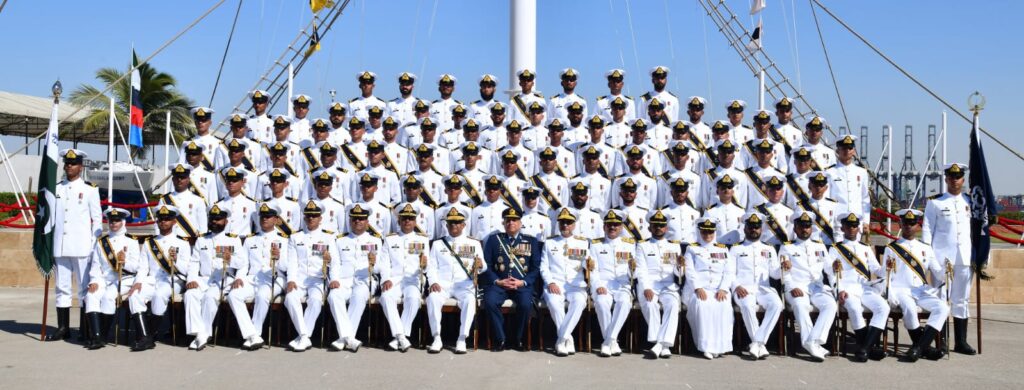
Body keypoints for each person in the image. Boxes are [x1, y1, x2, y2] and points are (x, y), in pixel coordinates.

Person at [49, 149, 103, 342]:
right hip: (60, 246)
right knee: (62, 287)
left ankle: (84, 328)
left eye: (73, 163)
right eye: (67, 163)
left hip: (81, 246)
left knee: (82, 288)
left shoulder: (90, 189)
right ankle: (63, 327)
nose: (69, 166)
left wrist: (93, 244)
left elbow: (97, 220)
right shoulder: (56, 189)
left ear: (81, 166)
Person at [922, 162, 976, 355]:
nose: (954, 181)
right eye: (951, 177)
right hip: (942, 259)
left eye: (958, 177)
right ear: (945, 179)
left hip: (965, 257)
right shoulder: (935, 202)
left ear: (963, 179)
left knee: (962, 300)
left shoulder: (970, 202)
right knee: (941, 301)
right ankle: (941, 341)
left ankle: (961, 342)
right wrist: (929, 259)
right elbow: (927, 231)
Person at [885, 209, 951, 362]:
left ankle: (919, 347)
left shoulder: (926, 248)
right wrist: (890, 294)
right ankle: (926, 349)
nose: (908, 226)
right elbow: (885, 275)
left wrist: (947, 271)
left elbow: (938, 273)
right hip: (901, 290)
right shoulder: (892, 248)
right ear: (900, 223)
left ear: (917, 226)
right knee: (909, 307)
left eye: (912, 223)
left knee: (943, 308)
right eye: (905, 222)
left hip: (921, 290)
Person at [83, 208, 151, 350]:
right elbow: (95, 265)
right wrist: (94, 281)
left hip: (124, 278)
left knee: (108, 297)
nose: (113, 223)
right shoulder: (102, 242)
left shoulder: (131, 241)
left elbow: (136, 267)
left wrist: (124, 262)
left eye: (117, 220)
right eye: (111, 221)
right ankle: (96, 336)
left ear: (123, 222)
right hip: (104, 278)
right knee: (91, 296)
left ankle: (103, 335)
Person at [183, 205, 249, 351]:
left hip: (223, 278)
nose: (214, 222)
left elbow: (242, 263)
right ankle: (198, 332)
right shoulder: (202, 239)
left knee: (210, 297)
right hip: (204, 279)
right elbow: (194, 262)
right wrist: (191, 279)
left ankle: (203, 336)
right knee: (190, 294)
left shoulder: (233, 239)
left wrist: (229, 259)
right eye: (212, 219)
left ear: (226, 221)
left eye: (218, 219)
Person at [826, 212, 889, 362]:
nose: (852, 229)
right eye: (849, 226)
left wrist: (888, 267)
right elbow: (830, 273)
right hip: (846, 288)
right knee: (854, 309)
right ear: (843, 228)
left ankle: (864, 348)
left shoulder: (865, 248)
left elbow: (877, 270)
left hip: (864, 288)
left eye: (855, 226)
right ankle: (868, 349)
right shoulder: (836, 248)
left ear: (858, 228)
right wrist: (839, 289)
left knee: (883, 307)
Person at [283, 200, 342, 352]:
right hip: (300, 279)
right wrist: (290, 280)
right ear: (304, 217)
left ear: (320, 218)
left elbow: (335, 262)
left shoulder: (328, 237)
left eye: (314, 216)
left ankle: (303, 337)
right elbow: (292, 262)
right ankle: (304, 336)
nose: (311, 218)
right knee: (290, 298)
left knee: (315, 300)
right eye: (308, 215)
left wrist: (334, 278)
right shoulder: (296, 237)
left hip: (318, 279)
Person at [777, 211, 836, 361]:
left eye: (807, 226)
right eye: (801, 226)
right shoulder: (787, 247)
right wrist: (791, 287)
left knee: (830, 305)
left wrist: (834, 266)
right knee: (800, 305)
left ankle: (812, 341)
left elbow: (828, 268)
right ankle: (812, 345)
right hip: (797, 286)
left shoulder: (820, 246)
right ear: (795, 228)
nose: (805, 229)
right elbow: (785, 272)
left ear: (811, 228)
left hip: (816, 287)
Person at [481, 208, 542, 351]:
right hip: (500, 284)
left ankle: (518, 339)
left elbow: (536, 267)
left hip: (521, 284)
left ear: (520, 223)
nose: (511, 223)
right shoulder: (494, 240)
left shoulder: (531, 241)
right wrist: (497, 281)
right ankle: (501, 339)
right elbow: (487, 265)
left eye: (514, 220)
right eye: (508, 220)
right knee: (489, 302)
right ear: (503, 223)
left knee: (526, 304)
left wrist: (523, 282)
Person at [425, 208, 486, 353]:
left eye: (457, 222)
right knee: (432, 298)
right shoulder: (438, 244)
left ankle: (462, 338)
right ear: (446, 225)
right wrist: (433, 282)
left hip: (464, 284)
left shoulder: (474, 243)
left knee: (470, 300)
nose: (454, 225)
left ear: (464, 225)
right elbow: (431, 266)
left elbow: (483, 267)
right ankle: (437, 338)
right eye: (451, 222)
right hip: (443, 284)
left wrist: (480, 266)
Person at [327, 204, 386, 352]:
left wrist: (373, 263)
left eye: (361, 219)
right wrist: (334, 279)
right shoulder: (340, 240)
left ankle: (343, 339)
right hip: (344, 280)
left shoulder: (376, 240)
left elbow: (380, 267)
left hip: (365, 279)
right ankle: (349, 338)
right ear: (350, 220)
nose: (358, 221)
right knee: (333, 296)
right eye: (355, 219)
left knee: (359, 296)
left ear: (367, 221)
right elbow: (335, 263)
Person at [729, 212, 782, 359]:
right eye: (751, 227)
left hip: (763, 288)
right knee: (746, 305)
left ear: (762, 229)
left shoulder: (769, 249)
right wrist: (736, 286)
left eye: (757, 227)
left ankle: (757, 343)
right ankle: (760, 345)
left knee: (777, 304)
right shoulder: (736, 249)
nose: (754, 230)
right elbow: (729, 273)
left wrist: (784, 268)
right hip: (743, 288)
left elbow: (775, 274)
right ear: (745, 228)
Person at [381, 203, 431, 352]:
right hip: (394, 279)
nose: (407, 221)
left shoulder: (423, 240)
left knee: (414, 298)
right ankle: (402, 336)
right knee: (386, 297)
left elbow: (427, 266)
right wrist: (386, 279)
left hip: (413, 279)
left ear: (415, 221)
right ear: (399, 220)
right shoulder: (390, 239)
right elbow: (384, 263)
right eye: (404, 218)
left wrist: (424, 265)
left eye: (410, 218)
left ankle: (397, 338)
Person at [634, 210, 684, 359]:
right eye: (655, 225)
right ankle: (663, 344)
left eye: (662, 226)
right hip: (650, 286)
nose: (658, 228)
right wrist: (646, 288)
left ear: (666, 228)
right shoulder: (642, 246)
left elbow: (678, 275)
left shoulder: (675, 246)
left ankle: (659, 345)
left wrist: (680, 268)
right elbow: (641, 269)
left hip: (669, 286)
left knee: (673, 305)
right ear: (649, 228)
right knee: (650, 305)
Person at [141, 205, 193, 350]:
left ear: (174, 222)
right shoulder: (149, 242)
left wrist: (175, 260)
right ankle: (143, 333)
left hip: (174, 279)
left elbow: (187, 269)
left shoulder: (182, 243)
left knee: (159, 295)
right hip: (152, 280)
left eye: (167, 219)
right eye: (161, 219)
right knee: (137, 295)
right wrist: (138, 283)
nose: (163, 222)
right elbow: (143, 267)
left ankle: (150, 335)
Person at [683, 217, 735, 360]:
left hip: (719, 289)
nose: (707, 235)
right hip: (699, 289)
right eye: (705, 232)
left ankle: (720, 346)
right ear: (700, 232)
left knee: (723, 306)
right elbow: (689, 270)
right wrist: (698, 288)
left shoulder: (723, 249)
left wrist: (724, 289)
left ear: (714, 232)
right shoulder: (692, 248)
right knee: (703, 306)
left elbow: (729, 271)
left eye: (710, 232)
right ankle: (705, 346)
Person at [246, 203, 295, 351]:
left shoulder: (284, 240)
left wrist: (278, 258)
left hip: (276, 277)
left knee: (262, 295)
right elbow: (244, 264)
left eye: (268, 217)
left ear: (276, 219)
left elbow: (286, 268)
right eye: (262, 216)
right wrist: (239, 278)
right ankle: (250, 333)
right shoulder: (250, 240)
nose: (264, 219)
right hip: (253, 278)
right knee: (233, 296)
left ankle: (255, 334)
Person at [590, 210, 637, 357]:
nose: (612, 227)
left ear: (621, 227)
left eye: (616, 224)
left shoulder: (630, 244)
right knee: (602, 302)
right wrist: (598, 285)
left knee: (624, 302)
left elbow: (634, 272)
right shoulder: (595, 245)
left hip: (623, 284)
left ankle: (608, 341)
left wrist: (632, 270)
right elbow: (592, 269)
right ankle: (613, 342)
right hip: (603, 284)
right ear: (604, 226)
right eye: (609, 224)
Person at [158, 163, 208, 238]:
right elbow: (158, 223)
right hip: (171, 241)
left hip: (191, 241)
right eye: (177, 177)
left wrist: (201, 241)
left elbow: (203, 225)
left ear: (188, 180)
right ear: (173, 179)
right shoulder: (164, 200)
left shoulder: (198, 200)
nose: (179, 180)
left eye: (182, 177)